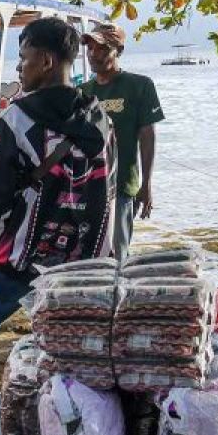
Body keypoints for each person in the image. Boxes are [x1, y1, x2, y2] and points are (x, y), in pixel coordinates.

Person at [0, 17, 116, 435]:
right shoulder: (98, 118)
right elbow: (108, 190)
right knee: (66, 339)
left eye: (23, 59)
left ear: (44, 61)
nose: (19, 69)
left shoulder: (17, 119)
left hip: (24, 251)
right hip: (81, 257)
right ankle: (70, 421)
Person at [80, 23, 163, 262]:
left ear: (118, 50)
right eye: (90, 48)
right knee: (87, 256)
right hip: (87, 188)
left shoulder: (140, 86)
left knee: (117, 254)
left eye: (102, 49)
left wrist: (146, 184)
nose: (94, 55)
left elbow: (147, 136)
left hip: (122, 186)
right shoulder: (82, 92)